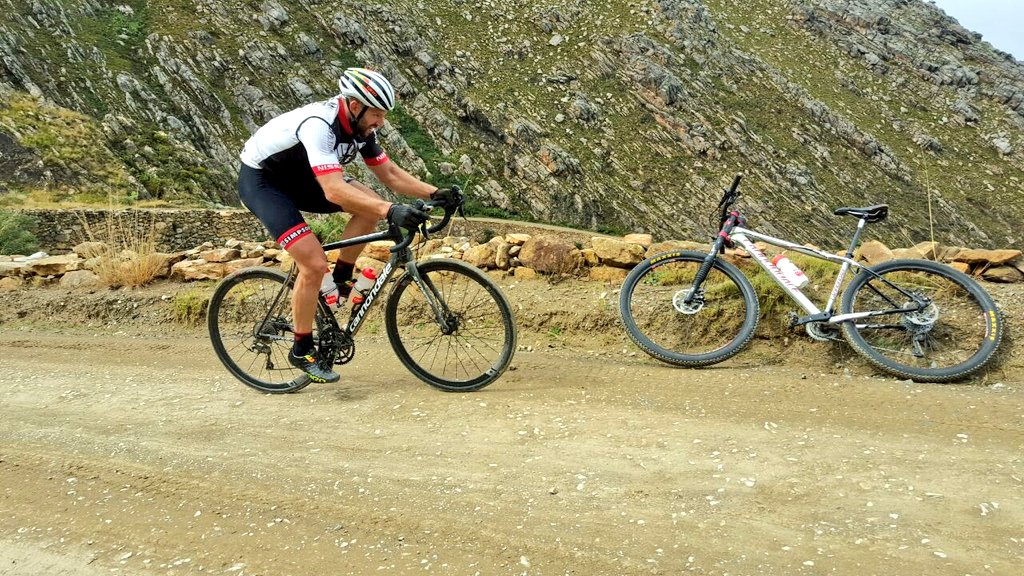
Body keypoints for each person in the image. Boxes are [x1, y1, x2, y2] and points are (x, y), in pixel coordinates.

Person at [237, 67, 462, 383]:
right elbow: (332, 189)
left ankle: (341, 281)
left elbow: (391, 175)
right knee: (313, 265)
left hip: (306, 178)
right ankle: (301, 349)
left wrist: (435, 192)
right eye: (377, 114)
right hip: (265, 182)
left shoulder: (362, 129)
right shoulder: (319, 126)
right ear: (355, 106)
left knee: (367, 206)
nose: (380, 122)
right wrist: (391, 209)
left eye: (383, 115)